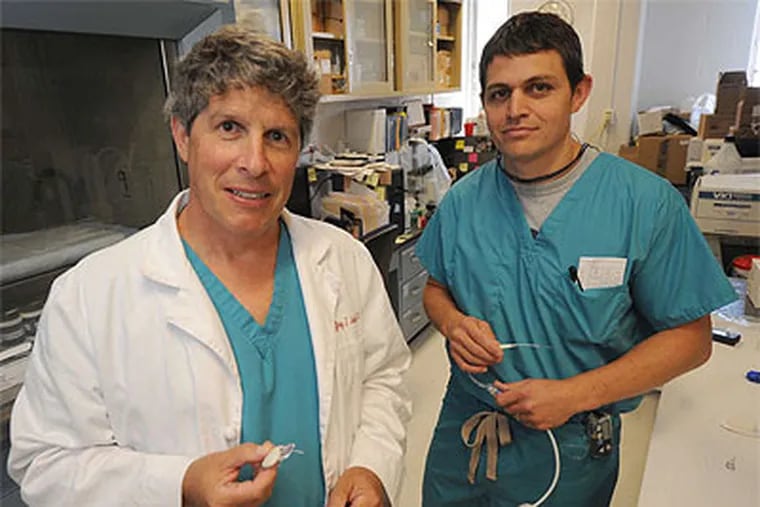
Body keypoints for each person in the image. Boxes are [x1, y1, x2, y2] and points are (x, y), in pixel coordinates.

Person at [9, 25, 411, 507]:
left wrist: (371, 467)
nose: (254, 162)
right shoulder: (90, 297)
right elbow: (46, 465)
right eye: (229, 128)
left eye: (277, 136)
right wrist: (179, 485)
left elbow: (383, 379)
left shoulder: (342, 257)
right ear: (182, 136)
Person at [415, 11, 736, 507]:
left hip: (573, 446)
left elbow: (691, 341)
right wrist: (454, 322)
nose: (515, 108)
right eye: (500, 93)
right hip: (467, 436)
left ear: (578, 92)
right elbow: (435, 289)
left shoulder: (643, 204)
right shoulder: (464, 200)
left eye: (538, 88)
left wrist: (576, 394)